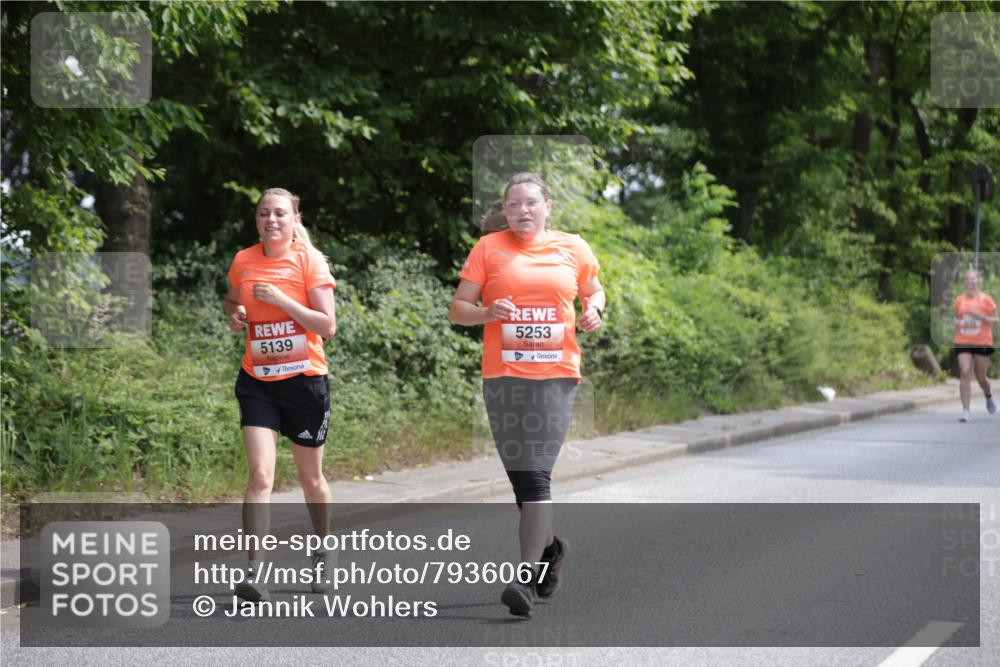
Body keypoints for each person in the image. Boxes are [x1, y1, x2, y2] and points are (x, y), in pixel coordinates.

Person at [450, 172, 606, 617]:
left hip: (556, 375)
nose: (523, 210)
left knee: (536, 475)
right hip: (503, 377)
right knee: (522, 483)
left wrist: (592, 309)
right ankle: (552, 551)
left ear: (547, 206)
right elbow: (458, 310)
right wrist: (486, 311)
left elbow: (594, 291)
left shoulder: (572, 247)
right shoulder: (488, 249)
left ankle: (525, 580)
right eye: (514, 204)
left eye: (531, 203)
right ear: (506, 209)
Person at [223, 188, 337, 601]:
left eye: (280, 214)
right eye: (264, 214)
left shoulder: (310, 261)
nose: (271, 220)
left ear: (295, 219)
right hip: (258, 381)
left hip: (304, 382)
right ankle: (255, 572)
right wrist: (234, 314)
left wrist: (282, 299)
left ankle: (323, 550)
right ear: (257, 220)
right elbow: (233, 299)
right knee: (260, 476)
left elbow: (327, 326)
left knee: (311, 479)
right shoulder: (244, 260)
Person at [953, 267, 997, 422]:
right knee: (965, 372)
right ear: (964, 282)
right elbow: (956, 319)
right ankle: (966, 411)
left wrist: (981, 317)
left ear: (979, 281)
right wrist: (958, 322)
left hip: (982, 341)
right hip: (963, 340)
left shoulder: (986, 299)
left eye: (973, 279)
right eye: (967, 279)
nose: (970, 282)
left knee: (981, 377)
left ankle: (988, 394)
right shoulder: (959, 300)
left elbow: (996, 320)